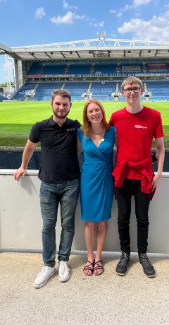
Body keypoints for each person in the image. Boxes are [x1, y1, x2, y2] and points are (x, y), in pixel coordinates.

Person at [14, 89, 81, 288]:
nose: (61, 107)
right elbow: (29, 148)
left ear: (70, 106)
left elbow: (79, 149)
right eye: (58, 104)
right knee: (48, 226)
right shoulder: (40, 127)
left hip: (71, 183)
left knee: (68, 225)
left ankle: (63, 262)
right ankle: (48, 264)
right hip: (48, 184)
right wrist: (23, 166)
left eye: (65, 104)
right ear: (52, 104)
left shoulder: (75, 126)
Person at [109, 76, 165, 278]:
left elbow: (160, 147)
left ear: (142, 91)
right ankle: (125, 254)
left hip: (144, 175)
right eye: (128, 88)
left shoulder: (154, 115)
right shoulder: (115, 117)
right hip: (123, 175)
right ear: (122, 92)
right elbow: (109, 143)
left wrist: (158, 172)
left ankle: (143, 255)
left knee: (143, 219)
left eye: (135, 88)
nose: (131, 92)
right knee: (122, 218)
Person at [77, 99, 115, 276]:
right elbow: (72, 154)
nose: (94, 113)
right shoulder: (81, 133)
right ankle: (90, 257)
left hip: (106, 178)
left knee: (102, 221)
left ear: (102, 111)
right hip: (88, 179)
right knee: (90, 220)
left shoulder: (112, 131)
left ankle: (99, 257)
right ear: (86, 115)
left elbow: (124, 152)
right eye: (90, 111)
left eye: (96, 110)